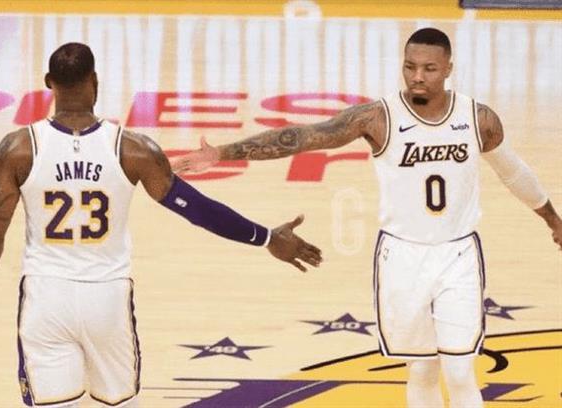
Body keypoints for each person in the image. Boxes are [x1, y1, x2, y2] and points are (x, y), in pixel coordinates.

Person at [171, 28, 562, 408]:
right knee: (422, 370)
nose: (417, 76)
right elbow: (303, 137)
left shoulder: (478, 118)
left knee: (460, 371)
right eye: (410, 67)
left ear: (448, 69)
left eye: (429, 68)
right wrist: (223, 153)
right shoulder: (377, 118)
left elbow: (512, 172)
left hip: (458, 255)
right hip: (401, 257)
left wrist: (552, 218)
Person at [0, 42, 322, 408]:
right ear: (95, 81)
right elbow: (198, 209)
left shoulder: (18, 149)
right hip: (108, 298)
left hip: (46, 296)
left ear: (48, 82)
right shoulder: (133, 149)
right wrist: (266, 237)